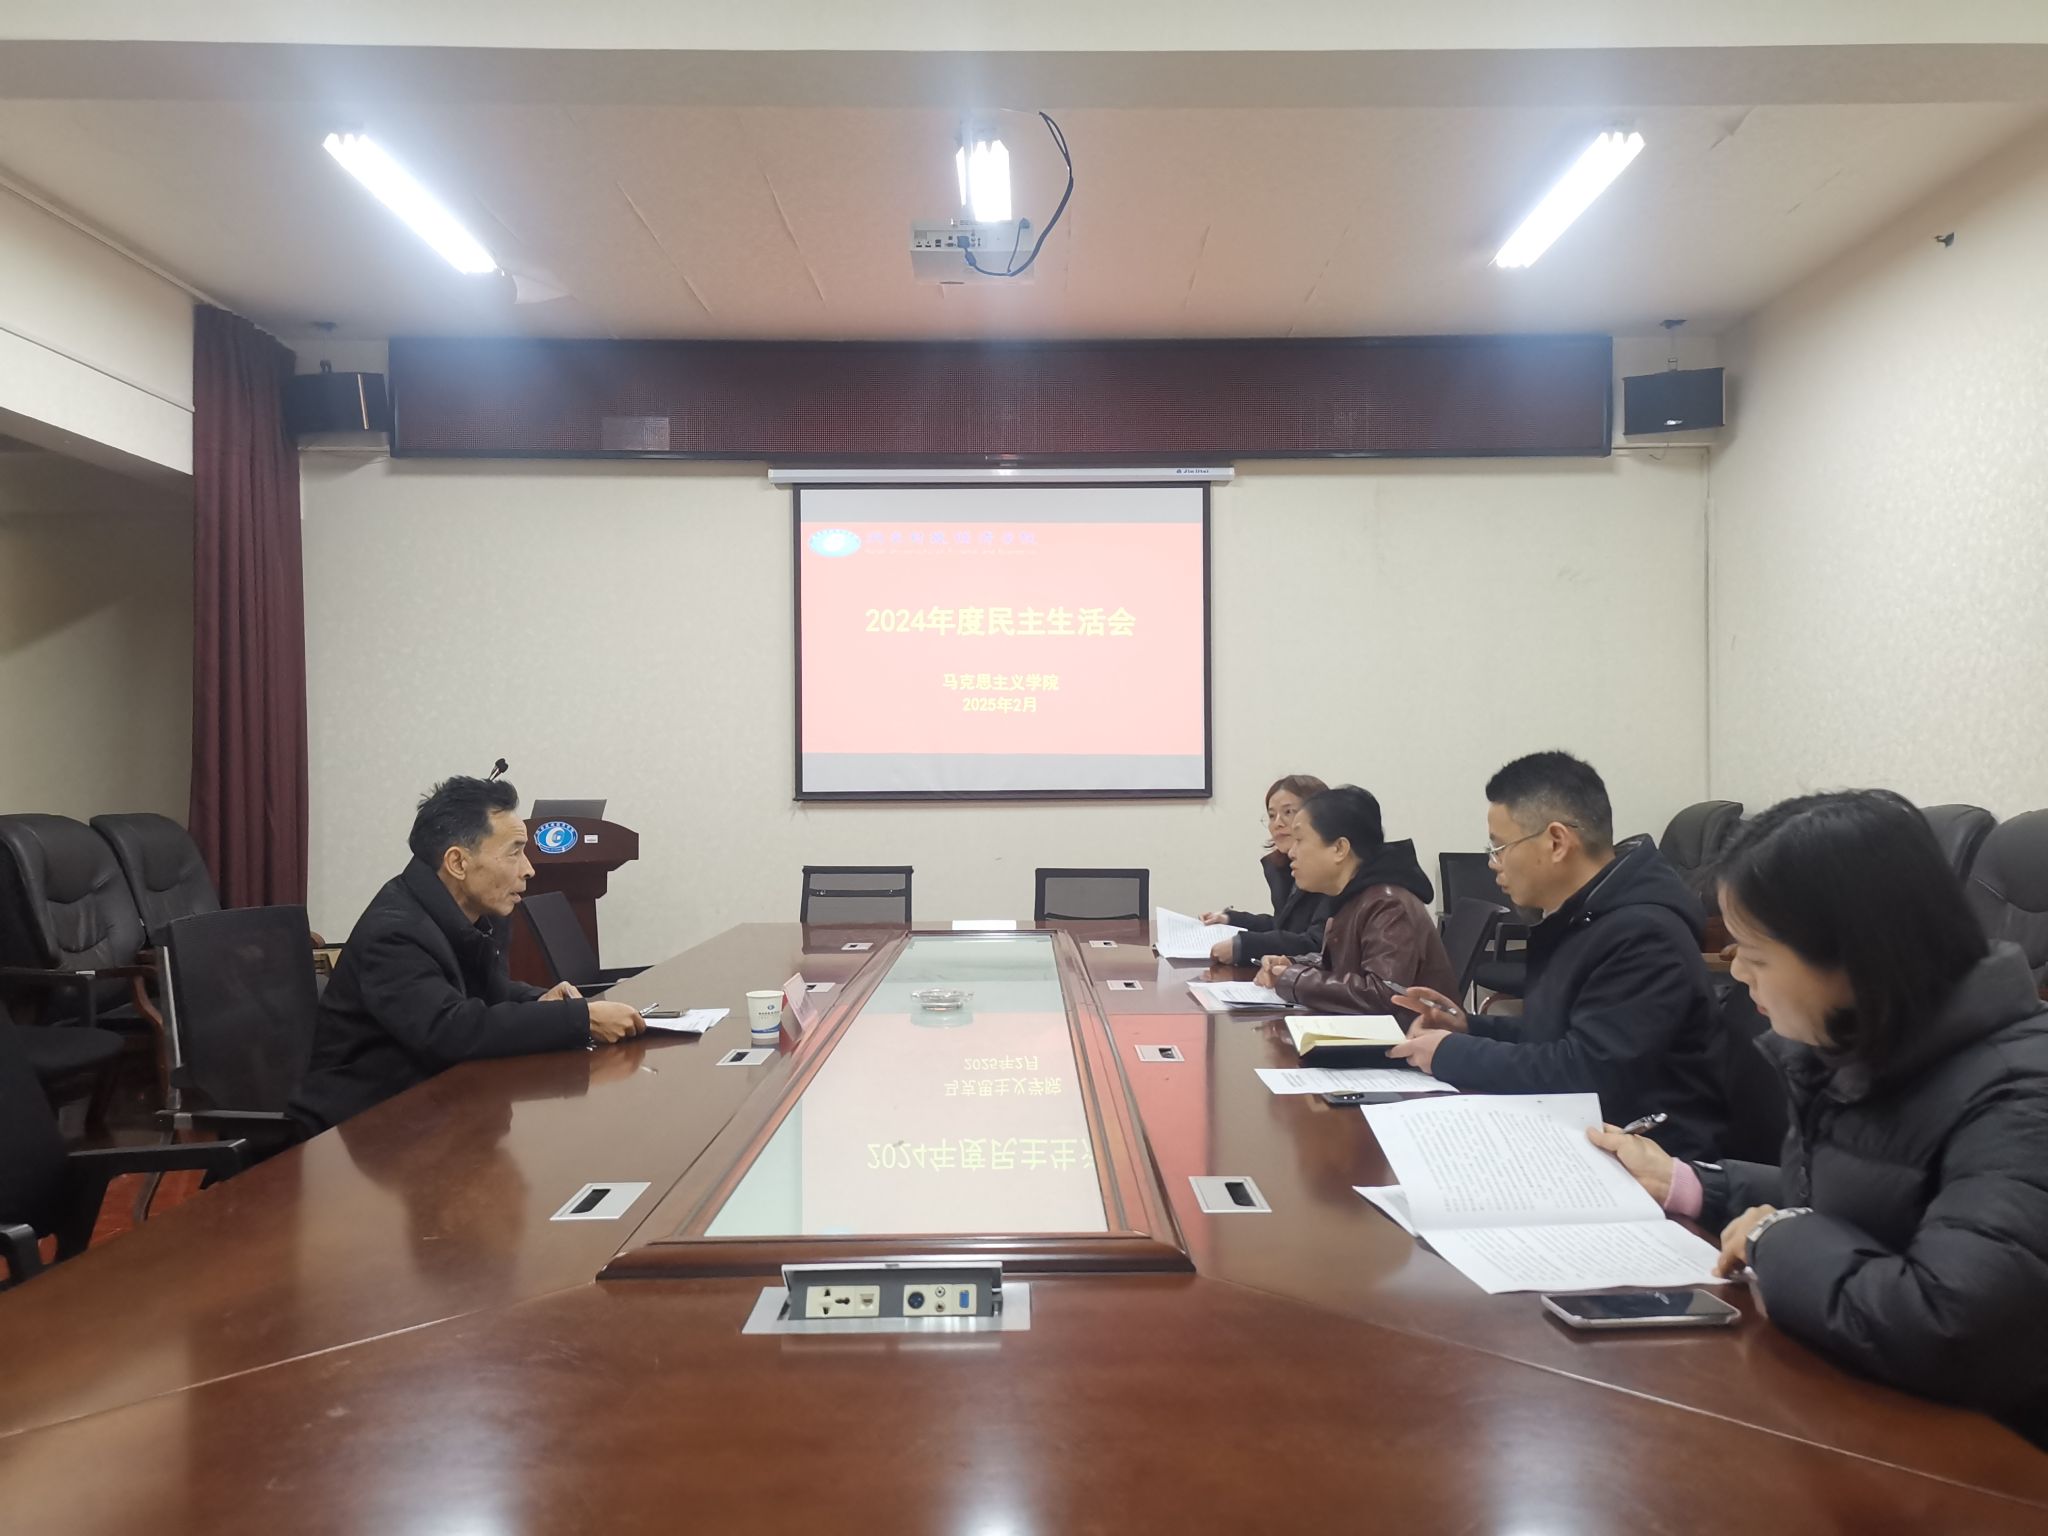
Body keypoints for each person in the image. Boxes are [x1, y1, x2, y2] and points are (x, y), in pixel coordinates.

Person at [1590, 791, 2048, 1446]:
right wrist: (1690, 1184)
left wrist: (1772, 1238)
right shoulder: (1864, 1044)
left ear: (1857, 955)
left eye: (1755, 954)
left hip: (1989, 1459)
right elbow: (1866, 1202)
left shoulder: (2020, 1096)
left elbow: (1951, 1326)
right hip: (1867, 1406)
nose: (1735, 971)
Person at [1388, 751, 1725, 1160]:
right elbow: (1558, 1036)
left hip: (1652, 1160)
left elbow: (1586, 1073)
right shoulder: (1584, 917)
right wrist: (1469, 1028)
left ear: (1556, 841)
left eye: (1499, 847)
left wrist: (1450, 1053)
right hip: (1586, 1134)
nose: (1493, 864)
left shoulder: (1643, 934)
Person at [288, 776, 645, 1136]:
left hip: (433, 1108)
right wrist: (579, 1019)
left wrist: (540, 1001)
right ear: (458, 862)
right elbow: (452, 1030)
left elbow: (484, 992)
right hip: (363, 1128)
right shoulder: (394, 932)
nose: (528, 868)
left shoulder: (475, 914)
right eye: (514, 852)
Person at [1251, 785, 1454, 1016]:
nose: (1291, 852)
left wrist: (1294, 979)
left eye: (1300, 840)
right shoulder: (1353, 895)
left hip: (1409, 1036)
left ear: (1339, 848)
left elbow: (1384, 994)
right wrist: (1292, 965)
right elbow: (1344, 966)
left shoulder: (1388, 904)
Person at [1201, 774, 1336, 965]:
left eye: (1288, 812)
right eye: (1272, 815)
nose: (1277, 823)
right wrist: (1230, 919)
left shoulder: (1331, 872)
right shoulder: (1284, 868)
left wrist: (1244, 946)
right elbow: (1283, 926)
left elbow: (1316, 943)